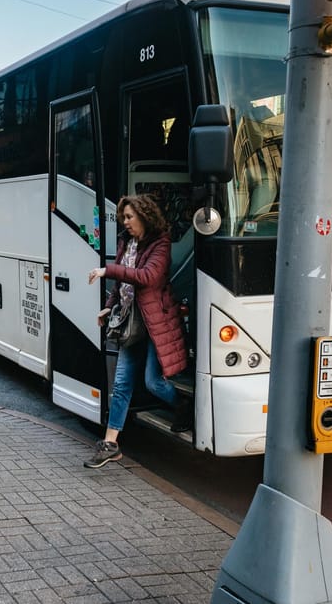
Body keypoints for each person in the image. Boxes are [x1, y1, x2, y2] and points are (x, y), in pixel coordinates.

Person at [84, 194, 188, 469]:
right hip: (131, 323)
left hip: (156, 323)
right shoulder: (126, 242)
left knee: (153, 382)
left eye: (129, 217)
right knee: (121, 385)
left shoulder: (160, 244)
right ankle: (110, 444)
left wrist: (108, 270)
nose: (125, 222)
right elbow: (121, 288)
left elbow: (148, 278)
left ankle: (183, 406)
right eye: (123, 218)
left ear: (144, 215)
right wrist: (109, 306)